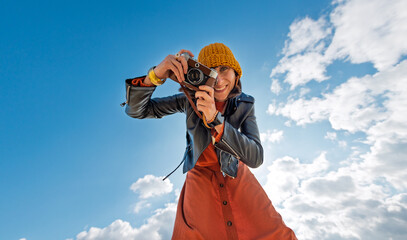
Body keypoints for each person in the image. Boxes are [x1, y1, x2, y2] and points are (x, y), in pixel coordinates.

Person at [123, 43, 297, 240]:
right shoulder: (189, 99)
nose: (219, 80)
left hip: (237, 177)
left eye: (224, 69)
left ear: (236, 73)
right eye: (211, 72)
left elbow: (256, 157)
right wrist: (155, 75)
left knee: (274, 233)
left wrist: (216, 119)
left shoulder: (245, 104)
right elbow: (137, 111)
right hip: (199, 180)